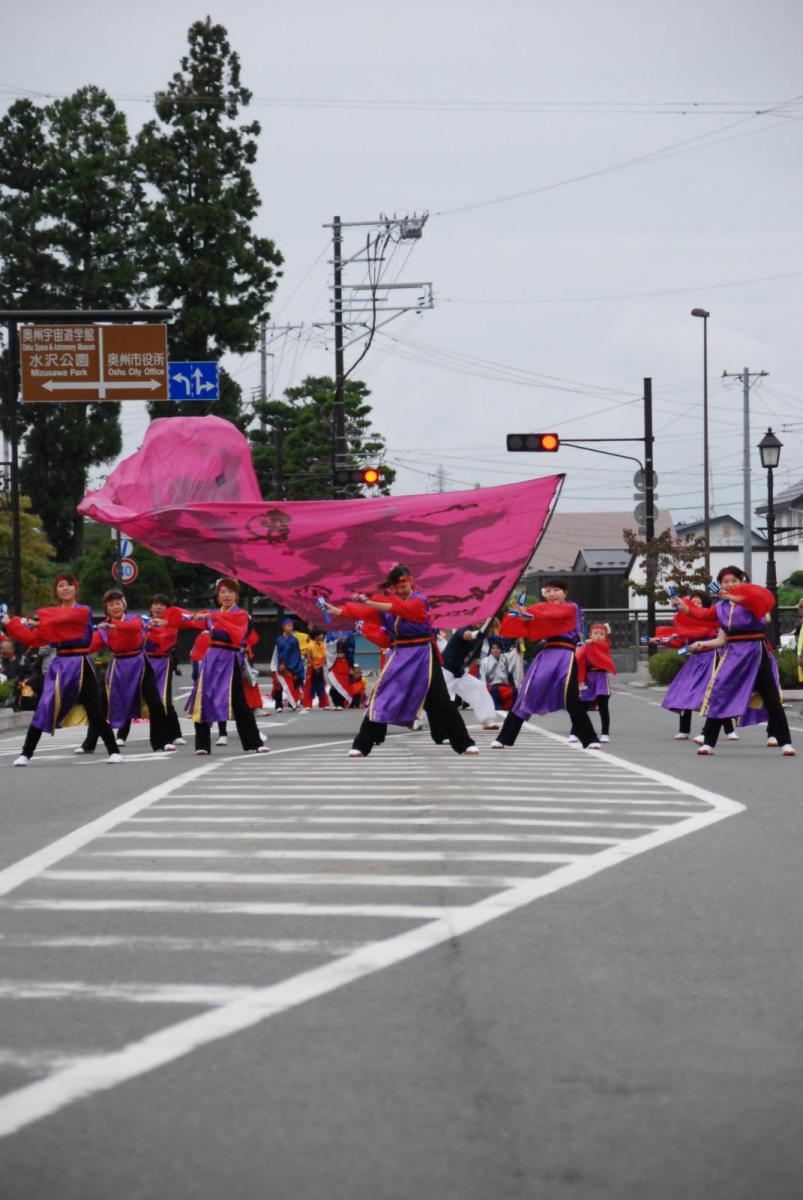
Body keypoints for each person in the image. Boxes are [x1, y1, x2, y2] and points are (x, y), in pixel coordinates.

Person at [321, 564, 478, 757]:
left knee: (441, 701)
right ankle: (362, 744)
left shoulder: (419, 601)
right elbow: (364, 612)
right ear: (393, 588)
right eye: (397, 588)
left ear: (411, 582)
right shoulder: (387, 604)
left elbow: (400, 609)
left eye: (404, 586)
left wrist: (369, 602)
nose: (401, 591)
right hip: (401, 654)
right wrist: (336, 610)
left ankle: (464, 743)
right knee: (381, 696)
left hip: (424, 654)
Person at [672, 565, 795, 756]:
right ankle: (708, 743)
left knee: (771, 697)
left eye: (734, 581)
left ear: (742, 582)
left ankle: (785, 742)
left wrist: (733, 597)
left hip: (756, 653)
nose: (729, 584)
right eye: (725, 582)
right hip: (733, 654)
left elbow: (765, 614)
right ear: (720, 584)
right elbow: (703, 616)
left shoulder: (752, 600)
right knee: (719, 694)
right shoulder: (721, 607)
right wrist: (684, 607)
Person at [2, 574, 120, 766]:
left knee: (94, 710)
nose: (65, 588)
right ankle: (26, 753)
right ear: (56, 591)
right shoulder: (51, 618)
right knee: (44, 707)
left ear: (75, 589)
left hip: (82, 663)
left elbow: (67, 621)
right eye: (61, 586)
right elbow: (34, 638)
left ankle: (113, 750)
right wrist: (10, 623)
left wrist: (41, 622)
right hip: (61, 665)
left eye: (69, 585)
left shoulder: (83, 611)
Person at [490, 580, 599, 751]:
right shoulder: (542, 609)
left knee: (571, 699)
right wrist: (520, 616)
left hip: (566, 656)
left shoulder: (571, 608)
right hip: (546, 656)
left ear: (565, 593)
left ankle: (590, 738)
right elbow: (535, 622)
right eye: (548, 591)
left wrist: (530, 614)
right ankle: (503, 738)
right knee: (526, 696)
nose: (552, 594)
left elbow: (552, 614)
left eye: (556, 590)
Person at [165, 577, 269, 756]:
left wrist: (212, 616)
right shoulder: (211, 615)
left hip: (230, 660)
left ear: (236, 595)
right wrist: (168, 620)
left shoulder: (240, 615)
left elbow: (237, 632)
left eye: (230, 592)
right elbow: (190, 619)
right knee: (203, 699)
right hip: (211, 659)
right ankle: (202, 744)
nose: (226, 595)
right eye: (222, 592)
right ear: (218, 596)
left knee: (239, 703)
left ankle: (254, 743)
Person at [77, 589, 175, 756]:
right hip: (118, 667)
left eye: (118, 603)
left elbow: (133, 628)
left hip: (140, 663)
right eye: (111, 605)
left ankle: (162, 741)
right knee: (101, 705)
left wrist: (114, 626)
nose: (115, 607)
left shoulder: (133, 619)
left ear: (124, 605)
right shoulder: (104, 627)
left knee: (155, 702)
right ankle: (89, 743)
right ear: (106, 609)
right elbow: (90, 645)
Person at [657, 597, 737, 742]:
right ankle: (683, 729)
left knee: (715, 693)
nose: (696, 605)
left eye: (699, 602)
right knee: (685, 692)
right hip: (694, 661)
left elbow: (721, 638)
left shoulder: (713, 619)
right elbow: (682, 646)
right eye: (693, 602)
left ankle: (729, 729)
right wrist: (668, 641)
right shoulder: (686, 622)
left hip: (712, 658)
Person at [117, 594, 185, 746]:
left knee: (164, 699)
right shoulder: (142, 621)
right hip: (143, 661)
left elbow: (162, 639)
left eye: (162, 605)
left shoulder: (170, 624)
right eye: (155, 604)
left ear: (168, 609)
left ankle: (175, 734)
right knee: (132, 695)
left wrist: (149, 628)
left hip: (162, 662)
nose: (158, 607)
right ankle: (121, 735)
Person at [441, 622, 500, 730]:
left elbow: (475, 659)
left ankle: (487, 720)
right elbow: (466, 635)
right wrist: (476, 634)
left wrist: (466, 670)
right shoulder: (463, 629)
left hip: (459, 673)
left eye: (483, 620)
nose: (480, 622)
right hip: (445, 671)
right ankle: (417, 720)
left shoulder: (480, 640)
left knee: (479, 687)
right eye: (479, 619)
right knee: (436, 698)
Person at [571, 623, 617, 743]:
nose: (598, 636)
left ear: (605, 637)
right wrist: (584, 647)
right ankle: (574, 732)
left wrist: (592, 646)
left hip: (601, 679)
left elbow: (602, 653)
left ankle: (605, 733)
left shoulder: (605, 647)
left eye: (602, 634)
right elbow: (577, 658)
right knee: (582, 707)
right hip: (587, 679)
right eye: (595, 633)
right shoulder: (586, 647)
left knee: (603, 706)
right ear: (590, 635)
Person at [271, 616, 305, 710]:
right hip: (280, 665)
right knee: (279, 685)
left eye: (291, 626)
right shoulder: (279, 639)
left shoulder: (294, 640)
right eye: (288, 625)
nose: (290, 627)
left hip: (291, 665)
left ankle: (291, 703)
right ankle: (278, 705)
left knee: (292, 685)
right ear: (283, 627)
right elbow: (277, 653)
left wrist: (291, 666)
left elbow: (296, 654)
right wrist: (279, 664)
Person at [479, 641, 518, 710]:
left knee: (514, 691)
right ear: (490, 650)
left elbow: (513, 655)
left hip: (504, 686)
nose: (495, 650)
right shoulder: (484, 661)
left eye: (498, 648)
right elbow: (482, 677)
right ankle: (496, 706)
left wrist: (520, 644)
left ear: (501, 650)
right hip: (491, 687)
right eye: (493, 648)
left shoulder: (505, 658)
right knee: (495, 692)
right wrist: (483, 690)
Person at [303, 630, 330, 709]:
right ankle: (307, 704)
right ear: (316, 636)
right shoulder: (310, 645)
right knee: (309, 686)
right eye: (320, 634)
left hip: (320, 667)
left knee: (321, 685)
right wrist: (314, 666)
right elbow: (309, 658)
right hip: (311, 667)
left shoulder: (323, 644)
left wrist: (320, 665)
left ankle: (324, 703)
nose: (322, 636)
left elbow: (325, 656)